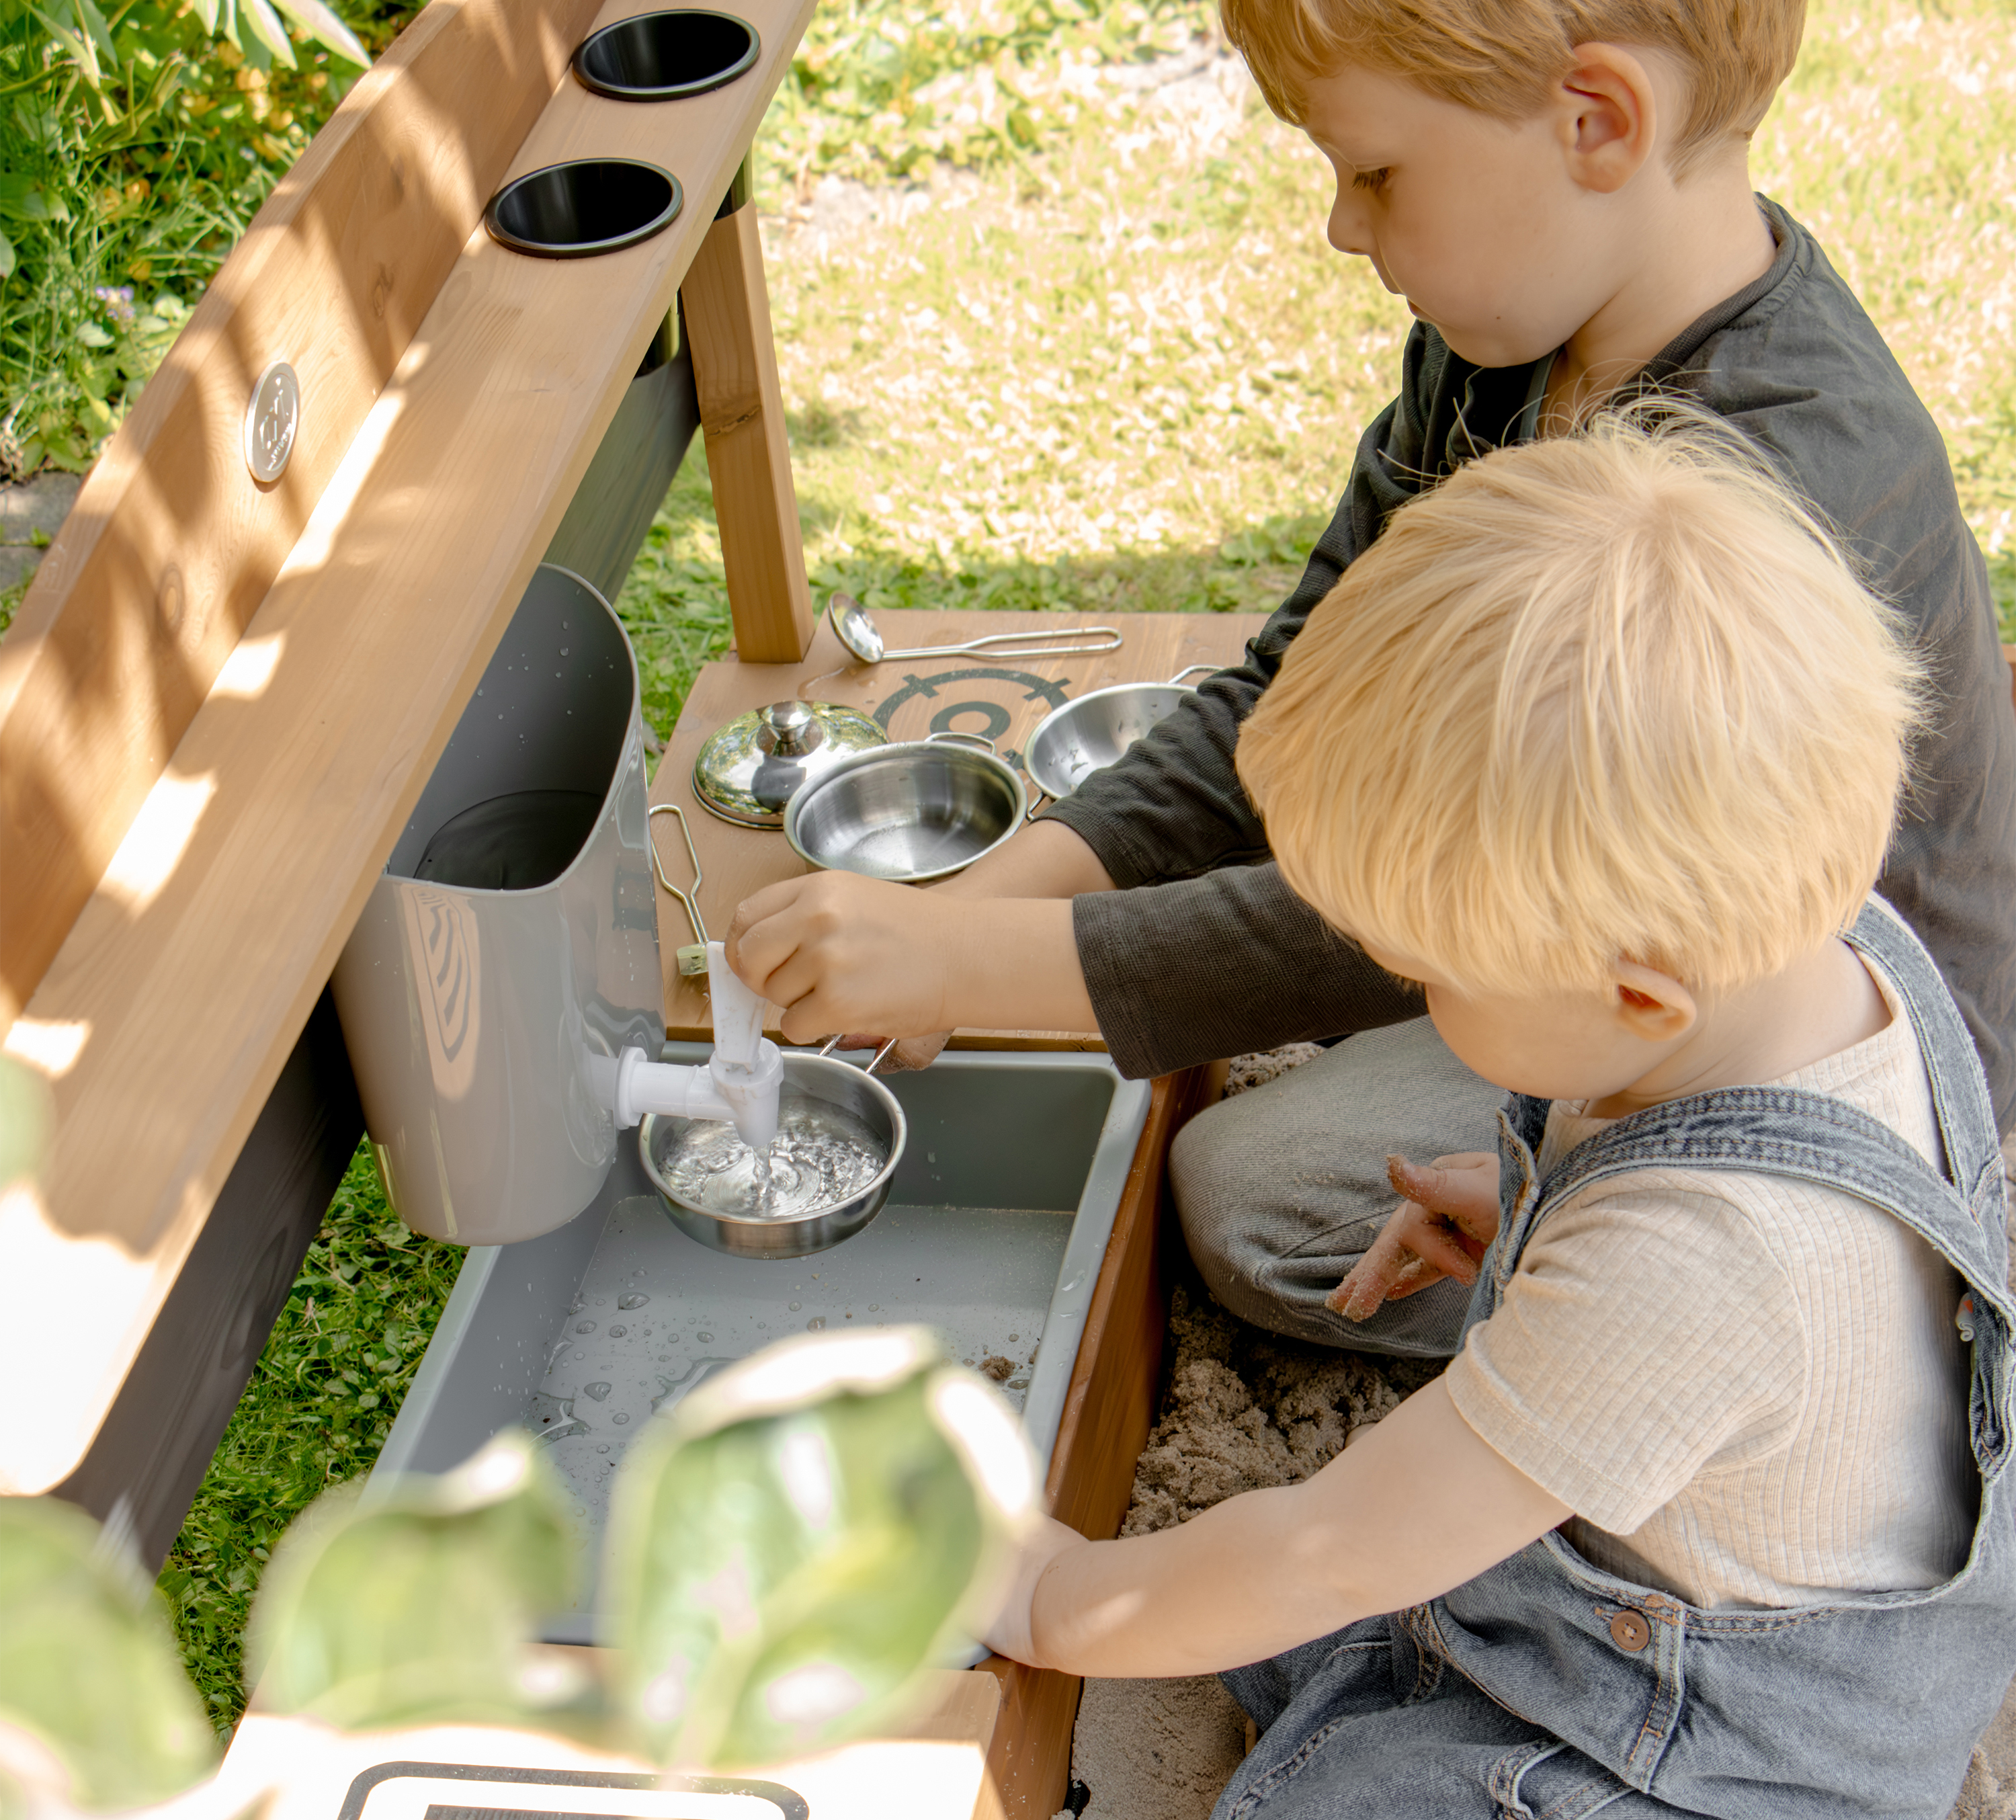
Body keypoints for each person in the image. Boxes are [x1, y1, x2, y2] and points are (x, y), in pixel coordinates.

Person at [725, 0, 2016, 1364]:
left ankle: (1796, 1336)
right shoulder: (1502, 353)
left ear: (1596, 121)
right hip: (1595, 973)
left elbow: (1419, 901)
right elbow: (1289, 693)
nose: (1344, 226)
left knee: (1258, 1207)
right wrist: (996, 902)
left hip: (1843, 1107)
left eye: (1377, 173)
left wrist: (976, 965)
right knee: (1271, 1163)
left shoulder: (1779, 492)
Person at [974, 419, 2016, 1820]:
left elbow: (1329, 1548)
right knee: (1276, 1630)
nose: (1412, 999)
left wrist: (1050, 1594)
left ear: (1639, 990)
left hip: (1717, 1764)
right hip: (1716, 1593)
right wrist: (1525, 1208)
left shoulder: (1701, 1260)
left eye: (1435, 977)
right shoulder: (1828, 948)